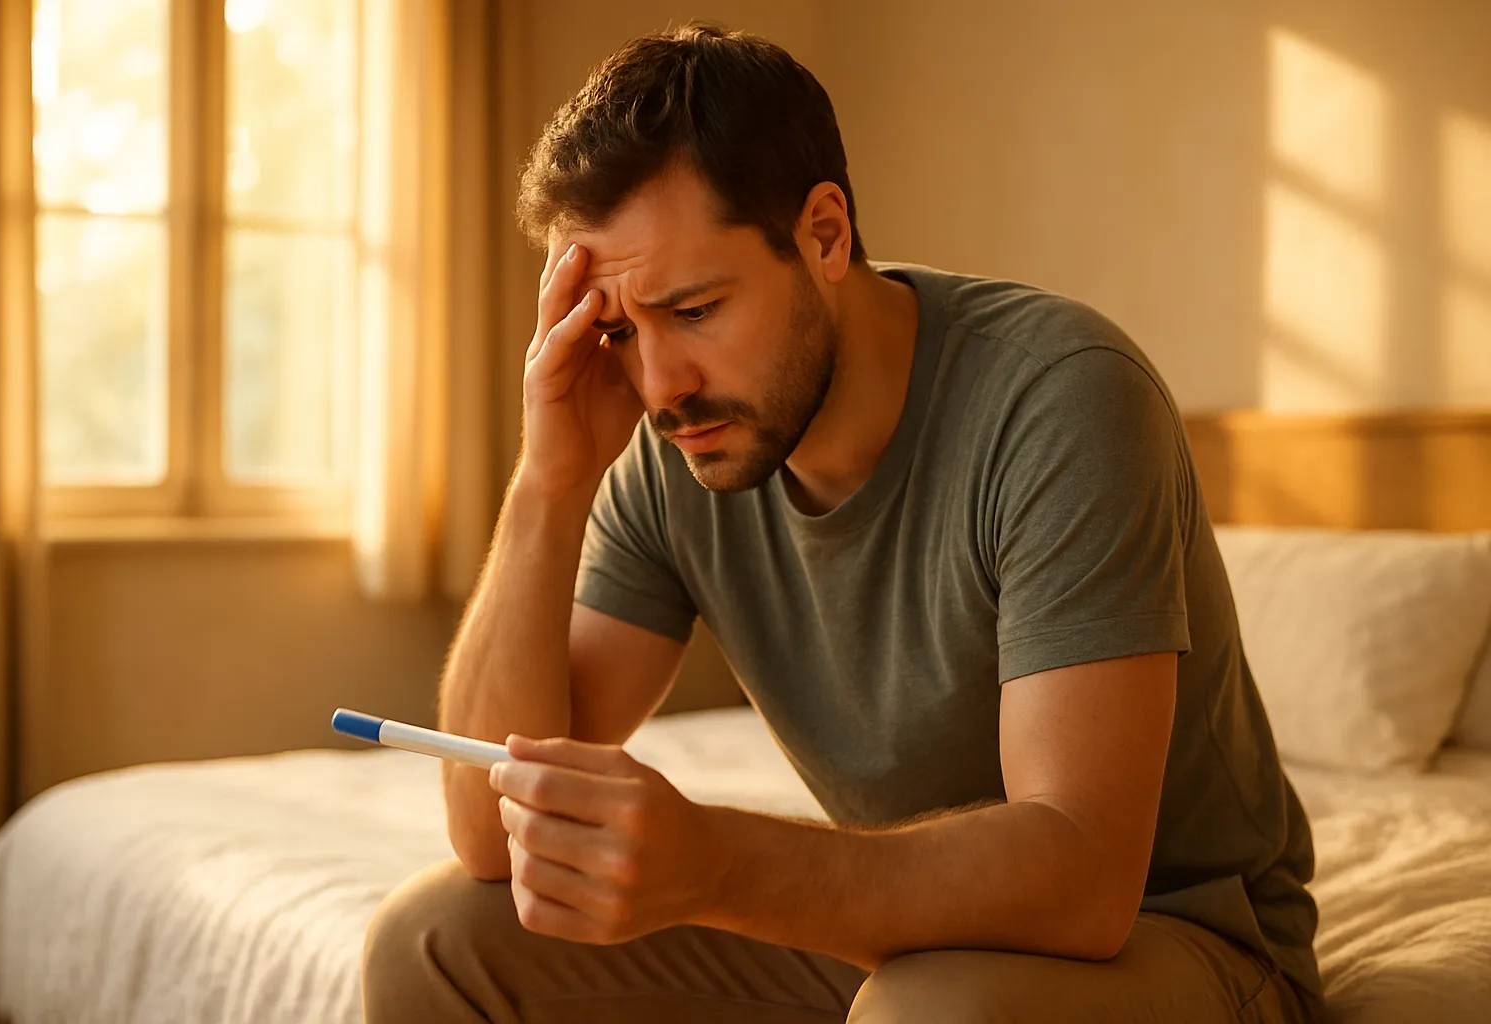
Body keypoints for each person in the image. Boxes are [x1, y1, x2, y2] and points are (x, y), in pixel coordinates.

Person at [361, 22, 1322, 1024]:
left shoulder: (1060, 399)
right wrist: (547, 482)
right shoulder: (677, 442)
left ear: (823, 234)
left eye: (694, 310)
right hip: (907, 941)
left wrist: (716, 863)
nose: (658, 383)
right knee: (434, 941)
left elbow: (1082, 877)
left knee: (926, 1010)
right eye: (616, 330)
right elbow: (491, 837)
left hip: (1170, 939)